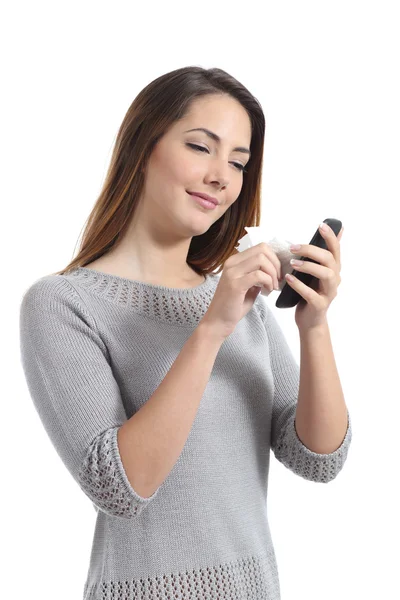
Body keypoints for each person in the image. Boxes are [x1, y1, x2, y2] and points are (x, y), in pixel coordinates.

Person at [19, 66, 352, 600]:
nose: (222, 175)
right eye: (201, 147)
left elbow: (318, 458)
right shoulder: (63, 305)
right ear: (143, 146)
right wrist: (211, 327)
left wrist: (314, 325)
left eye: (239, 162)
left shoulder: (245, 300)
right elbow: (121, 488)